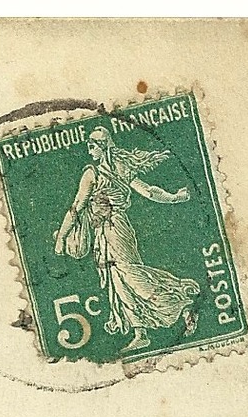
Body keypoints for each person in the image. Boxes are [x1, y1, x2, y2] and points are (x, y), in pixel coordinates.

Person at [53, 125, 201, 352]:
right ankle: (140, 332)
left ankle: (180, 303)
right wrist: (176, 197)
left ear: (103, 147)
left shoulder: (93, 174)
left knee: (129, 274)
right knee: (117, 280)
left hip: (115, 231)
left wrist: (62, 237)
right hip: (105, 232)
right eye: (89, 144)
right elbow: (149, 191)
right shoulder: (117, 169)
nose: (89, 148)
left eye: (93, 144)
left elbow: (76, 207)